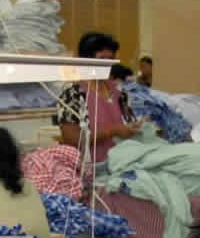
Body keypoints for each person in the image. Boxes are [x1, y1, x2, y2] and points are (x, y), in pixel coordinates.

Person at [55, 31, 140, 163]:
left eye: (110, 60)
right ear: (86, 59)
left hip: (123, 163)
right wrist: (111, 131)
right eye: (102, 59)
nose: (107, 65)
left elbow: (129, 122)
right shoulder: (73, 95)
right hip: (92, 168)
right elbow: (72, 139)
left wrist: (136, 126)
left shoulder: (119, 92)